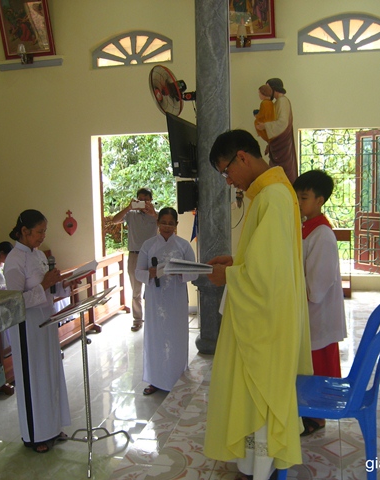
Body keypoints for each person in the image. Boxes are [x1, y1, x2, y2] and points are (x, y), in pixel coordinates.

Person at [204, 130, 312, 480]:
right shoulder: (270, 193)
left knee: (259, 392)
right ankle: (252, 465)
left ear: (242, 157)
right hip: (268, 315)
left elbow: (268, 276)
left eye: (225, 170)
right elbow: (268, 261)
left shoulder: (274, 197)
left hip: (268, 322)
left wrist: (229, 278)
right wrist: (236, 264)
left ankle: (260, 468)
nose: (228, 180)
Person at [4, 209, 71, 453]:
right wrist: (44, 284)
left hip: (46, 321)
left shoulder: (39, 255)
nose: (43, 236)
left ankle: (52, 427)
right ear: (24, 231)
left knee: (50, 373)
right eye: (39, 231)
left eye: (44, 231)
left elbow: (49, 290)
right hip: (27, 328)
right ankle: (34, 435)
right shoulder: (14, 260)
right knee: (34, 378)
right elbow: (15, 302)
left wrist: (62, 284)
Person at [293, 170, 347, 436]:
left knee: (319, 362)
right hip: (307, 311)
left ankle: (318, 416)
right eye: (298, 197)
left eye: (304, 197)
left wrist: (289, 289)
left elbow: (317, 285)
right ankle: (309, 410)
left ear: (320, 200)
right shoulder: (305, 228)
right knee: (309, 363)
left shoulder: (322, 234)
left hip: (318, 311)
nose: (299, 202)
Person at [135, 207, 198, 395]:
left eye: (171, 223)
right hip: (155, 299)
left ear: (176, 225)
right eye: (164, 222)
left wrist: (181, 271)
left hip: (177, 298)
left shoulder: (183, 246)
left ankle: (177, 376)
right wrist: (151, 273)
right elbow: (138, 273)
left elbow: (194, 271)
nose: (167, 227)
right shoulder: (148, 245)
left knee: (176, 336)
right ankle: (155, 379)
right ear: (158, 223)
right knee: (156, 336)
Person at [110, 188, 158, 332]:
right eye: (139, 199)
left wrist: (153, 213)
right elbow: (114, 220)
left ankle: (153, 318)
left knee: (153, 288)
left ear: (150, 200)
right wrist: (129, 207)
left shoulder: (157, 215)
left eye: (145, 199)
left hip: (152, 256)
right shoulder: (131, 214)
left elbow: (166, 225)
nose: (142, 202)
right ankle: (137, 319)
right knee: (136, 291)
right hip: (134, 255)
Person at [255, 78, 298, 183]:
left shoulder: (283, 101)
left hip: (282, 144)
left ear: (274, 89)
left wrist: (265, 126)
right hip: (277, 143)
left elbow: (283, 123)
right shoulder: (278, 102)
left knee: (282, 170)